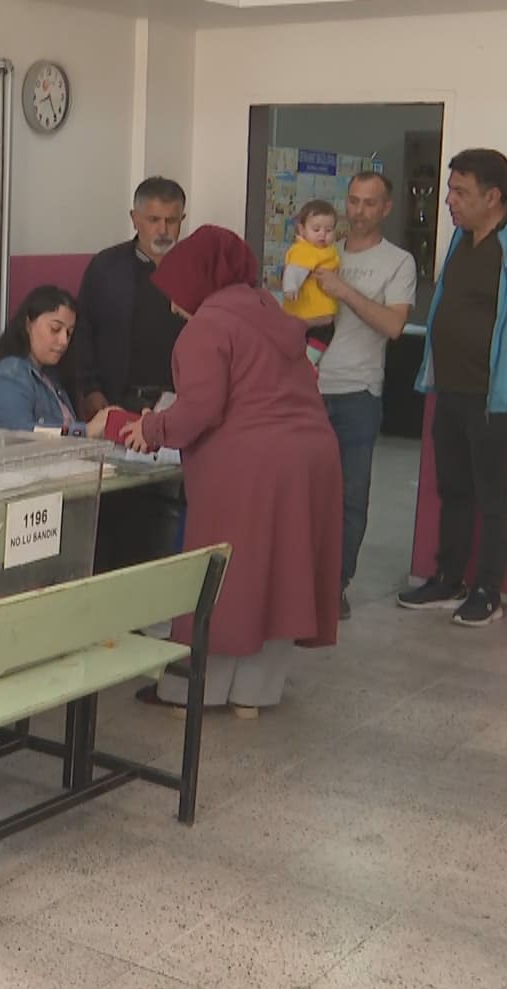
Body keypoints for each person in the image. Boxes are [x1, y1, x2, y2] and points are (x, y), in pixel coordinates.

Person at [115, 227, 342, 718]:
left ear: (198, 279)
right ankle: (254, 696)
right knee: (285, 571)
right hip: (312, 455)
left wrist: (150, 429)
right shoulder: (268, 310)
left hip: (251, 463)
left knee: (223, 575)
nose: (174, 305)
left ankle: (194, 693)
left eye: (177, 291)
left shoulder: (209, 325)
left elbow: (200, 408)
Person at [398, 148, 507, 628]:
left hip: (499, 398)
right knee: (453, 488)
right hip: (450, 389)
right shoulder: (459, 239)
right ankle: (447, 578)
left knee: (492, 495)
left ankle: (486, 591)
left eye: (460, 192)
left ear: (493, 196)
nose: (449, 200)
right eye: (450, 189)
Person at [64, 176, 191, 570]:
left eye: (172, 220)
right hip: (114, 400)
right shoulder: (107, 266)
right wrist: (89, 390)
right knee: (115, 502)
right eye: (153, 219)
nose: (163, 230)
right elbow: (82, 333)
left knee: (167, 500)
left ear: (183, 220)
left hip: (174, 405)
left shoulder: (194, 268)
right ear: (134, 218)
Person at [310, 172, 418, 619]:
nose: (358, 211)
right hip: (308, 391)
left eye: (369, 203)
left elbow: (394, 326)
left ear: (387, 208)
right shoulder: (321, 251)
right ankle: (301, 581)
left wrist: (344, 291)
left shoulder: (399, 262)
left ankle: (336, 585)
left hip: (359, 393)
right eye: (353, 201)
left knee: (351, 496)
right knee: (303, 492)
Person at [0, 285, 95, 435]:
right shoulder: (7, 375)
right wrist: (86, 430)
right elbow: (21, 436)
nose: (63, 341)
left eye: (69, 333)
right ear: (28, 324)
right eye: (55, 329)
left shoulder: (51, 375)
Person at [280, 200, 342, 363]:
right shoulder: (305, 250)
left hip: (319, 311)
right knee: (313, 341)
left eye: (328, 230)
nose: (322, 234)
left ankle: (308, 364)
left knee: (318, 339)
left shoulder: (327, 251)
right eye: (316, 229)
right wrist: (290, 287)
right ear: (302, 229)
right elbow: (295, 269)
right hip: (308, 312)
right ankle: (307, 365)